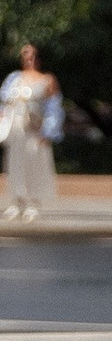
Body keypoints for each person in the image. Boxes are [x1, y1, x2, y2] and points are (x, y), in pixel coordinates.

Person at [1, 45, 62, 222]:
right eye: (25, 55)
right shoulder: (14, 79)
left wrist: (48, 132)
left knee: (35, 164)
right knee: (15, 165)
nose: (29, 59)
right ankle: (16, 201)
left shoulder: (47, 80)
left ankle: (33, 203)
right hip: (16, 128)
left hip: (35, 129)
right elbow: (4, 103)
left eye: (32, 55)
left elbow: (54, 108)